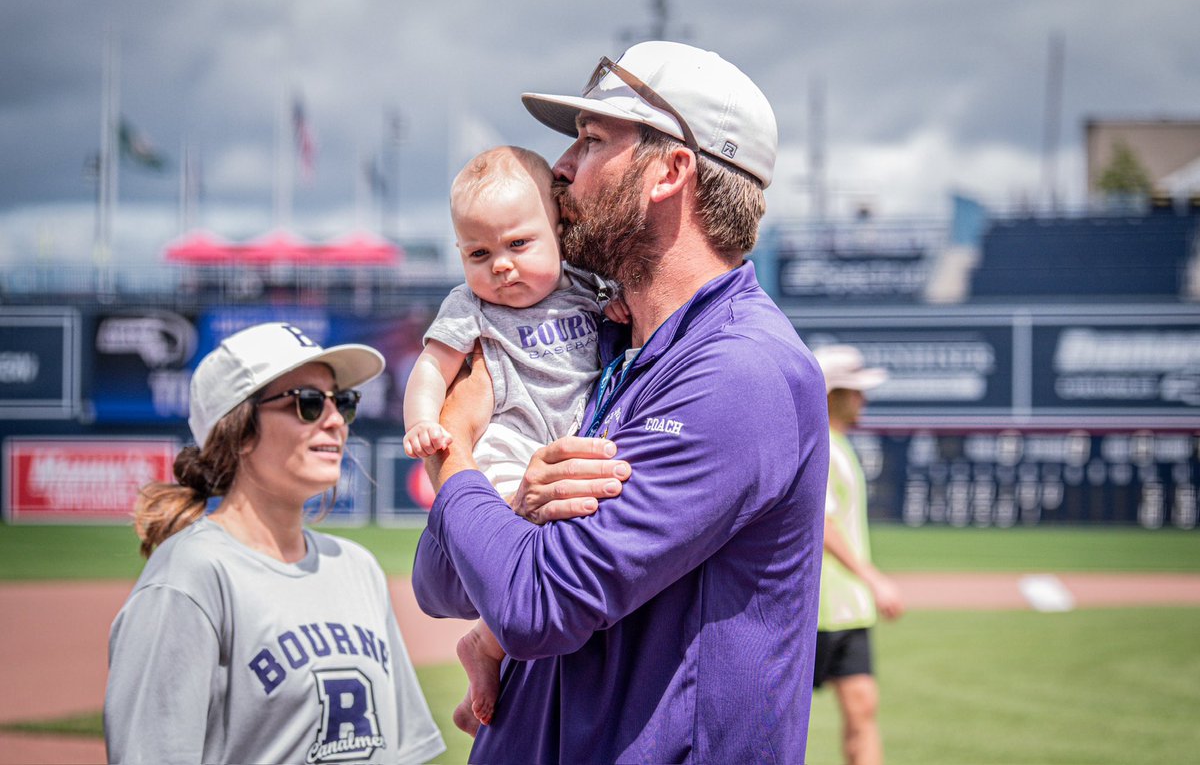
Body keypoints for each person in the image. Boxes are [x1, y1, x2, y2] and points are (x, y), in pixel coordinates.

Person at [412, 40, 829, 763]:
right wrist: (511, 509)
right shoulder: (611, 351)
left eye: (592, 140)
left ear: (670, 171)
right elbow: (441, 582)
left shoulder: (741, 371)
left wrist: (454, 447)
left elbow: (533, 604)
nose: (562, 168)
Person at [104, 322, 445, 765]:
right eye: (307, 403)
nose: (336, 420)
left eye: (342, 401)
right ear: (239, 431)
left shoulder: (356, 567)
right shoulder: (190, 576)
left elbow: (400, 753)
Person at [402, 144, 626, 734]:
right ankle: (489, 653)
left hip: (570, 443)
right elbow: (430, 368)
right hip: (506, 450)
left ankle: (486, 649)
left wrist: (620, 303)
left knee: (565, 560)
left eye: (518, 245)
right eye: (479, 252)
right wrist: (424, 420)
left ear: (558, 230)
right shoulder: (468, 306)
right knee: (518, 562)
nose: (500, 266)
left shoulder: (586, 286)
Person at [811, 344, 906, 765]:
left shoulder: (842, 445)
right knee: (768, 719)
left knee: (863, 707)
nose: (863, 398)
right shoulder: (822, 447)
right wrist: (873, 577)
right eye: (855, 391)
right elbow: (825, 525)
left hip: (847, 609)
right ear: (832, 395)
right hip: (815, 609)